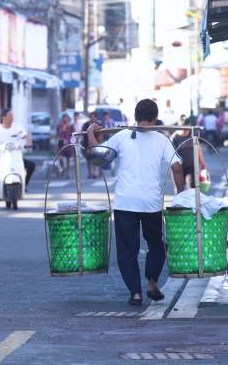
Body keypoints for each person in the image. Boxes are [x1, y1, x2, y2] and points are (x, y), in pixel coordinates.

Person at [87, 99, 185, 306]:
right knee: (156, 244)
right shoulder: (161, 139)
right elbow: (177, 168)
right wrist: (181, 196)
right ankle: (151, 282)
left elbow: (98, 157)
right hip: (151, 203)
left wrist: (90, 134)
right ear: (155, 118)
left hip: (125, 203)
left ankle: (135, 293)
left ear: (135, 116)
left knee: (127, 250)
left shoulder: (121, 136)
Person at [0, 108, 35, 197]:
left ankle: (23, 185)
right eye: (10, 115)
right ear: (3, 117)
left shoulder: (17, 127)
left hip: (16, 157)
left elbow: (26, 137)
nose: (12, 117)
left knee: (31, 165)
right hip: (2, 157)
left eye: (12, 115)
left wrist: (28, 144)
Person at [171, 117, 205, 189]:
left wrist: (202, 162)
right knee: (179, 189)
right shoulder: (174, 138)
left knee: (191, 186)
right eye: (184, 129)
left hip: (190, 165)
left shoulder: (192, 135)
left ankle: (192, 199)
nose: (186, 131)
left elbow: (198, 148)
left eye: (187, 129)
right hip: (178, 167)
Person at [81, 111, 101, 179]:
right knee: (88, 159)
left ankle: (96, 172)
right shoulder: (85, 125)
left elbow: (101, 135)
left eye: (93, 117)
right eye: (91, 117)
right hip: (87, 144)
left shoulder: (98, 124)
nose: (92, 118)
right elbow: (83, 134)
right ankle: (90, 173)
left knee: (96, 158)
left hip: (96, 144)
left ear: (96, 117)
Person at [57, 113, 75, 179]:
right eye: (64, 118)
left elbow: (73, 134)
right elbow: (58, 133)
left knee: (68, 159)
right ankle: (62, 168)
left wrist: (71, 140)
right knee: (60, 157)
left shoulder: (71, 126)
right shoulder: (59, 126)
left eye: (66, 118)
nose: (65, 119)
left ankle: (68, 172)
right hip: (61, 143)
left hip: (68, 143)